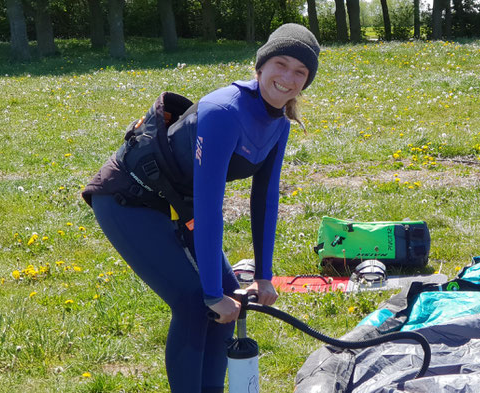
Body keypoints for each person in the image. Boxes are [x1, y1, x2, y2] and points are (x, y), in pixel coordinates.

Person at [81, 23, 319, 392]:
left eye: (300, 71)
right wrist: (211, 294)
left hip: (173, 203)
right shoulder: (224, 111)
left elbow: (265, 199)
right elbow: (210, 208)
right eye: (281, 63)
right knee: (196, 302)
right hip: (127, 199)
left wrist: (264, 276)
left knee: (226, 303)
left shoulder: (279, 125)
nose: (288, 77)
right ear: (261, 66)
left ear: (306, 81)